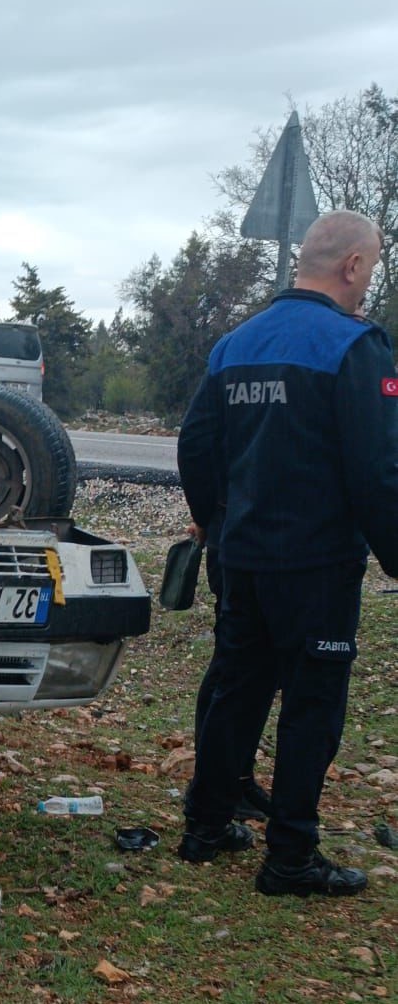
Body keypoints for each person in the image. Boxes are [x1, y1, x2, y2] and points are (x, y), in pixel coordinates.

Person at [177, 209, 398, 897]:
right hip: (317, 565)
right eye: (375, 265)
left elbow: (196, 447)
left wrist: (215, 523)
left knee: (237, 691)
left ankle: (206, 828)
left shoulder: (235, 344)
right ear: (353, 266)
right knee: (311, 706)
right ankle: (291, 859)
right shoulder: (354, 346)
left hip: (241, 558)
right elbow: (379, 470)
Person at [186, 516, 273, 822]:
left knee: (255, 669)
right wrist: (202, 514)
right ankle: (217, 785)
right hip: (235, 538)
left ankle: (235, 778)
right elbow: (197, 466)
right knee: (233, 667)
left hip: (251, 537)